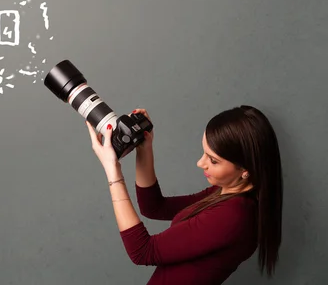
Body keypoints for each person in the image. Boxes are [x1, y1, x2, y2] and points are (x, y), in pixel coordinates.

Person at [86, 105, 283, 285]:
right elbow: (154, 207)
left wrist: (113, 170)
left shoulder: (234, 215)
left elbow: (143, 251)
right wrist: (145, 148)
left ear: (245, 169)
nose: (200, 163)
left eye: (213, 160)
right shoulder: (225, 193)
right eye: (204, 152)